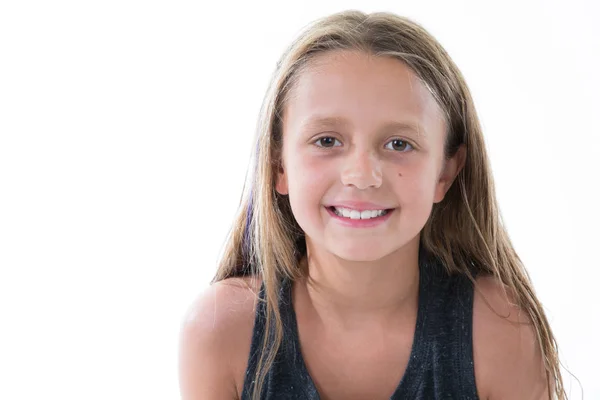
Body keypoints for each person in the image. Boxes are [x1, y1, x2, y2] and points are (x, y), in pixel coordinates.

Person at [178, 10, 566, 400]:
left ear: (445, 173)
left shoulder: (498, 331)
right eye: (327, 141)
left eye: (399, 144)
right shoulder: (222, 333)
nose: (361, 175)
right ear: (279, 165)